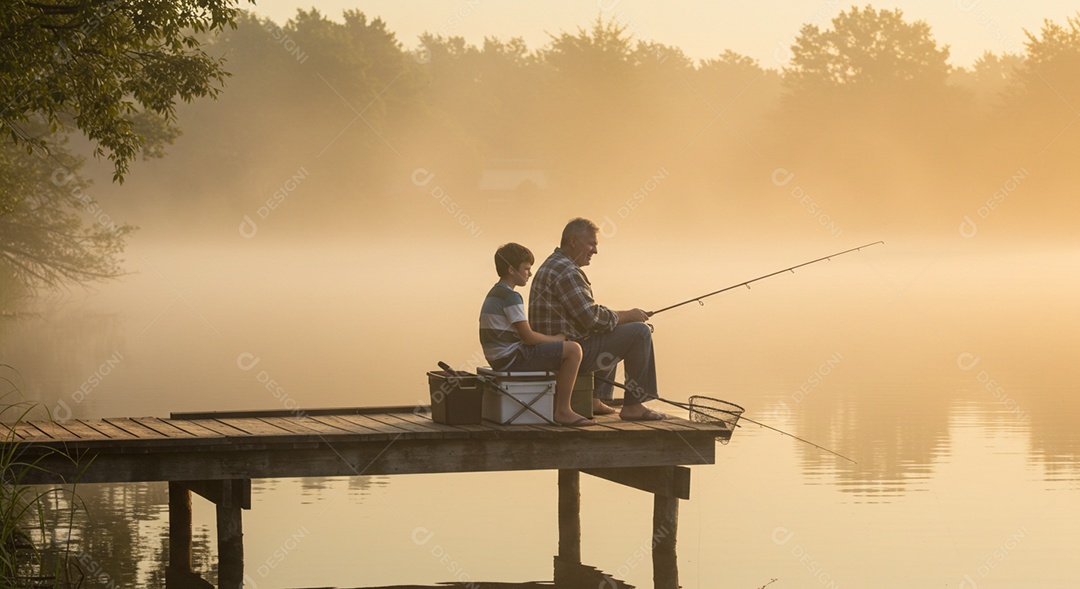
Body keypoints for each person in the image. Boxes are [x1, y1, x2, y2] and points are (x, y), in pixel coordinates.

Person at [528, 218, 666, 421]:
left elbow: (588, 316)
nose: (595, 251)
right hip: (563, 355)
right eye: (591, 244)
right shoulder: (567, 272)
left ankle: (594, 399)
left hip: (554, 349)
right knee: (639, 332)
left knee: (614, 326)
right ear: (573, 241)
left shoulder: (555, 264)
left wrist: (621, 317)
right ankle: (634, 406)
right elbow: (592, 319)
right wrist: (629, 315)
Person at [479, 242, 596, 427]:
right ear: (511, 270)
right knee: (574, 350)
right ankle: (563, 411)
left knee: (557, 351)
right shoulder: (511, 296)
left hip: (499, 358)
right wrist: (557, 339)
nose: (530, 273)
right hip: (511, 358)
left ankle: (554, 404)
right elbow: (528, 338)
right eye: (526, 268)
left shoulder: (494, 293)